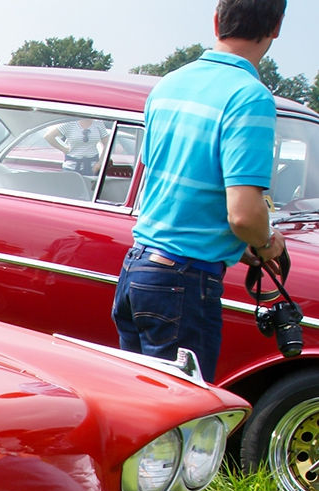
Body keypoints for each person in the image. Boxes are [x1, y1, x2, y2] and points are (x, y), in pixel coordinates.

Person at [112, 0, 287, 380]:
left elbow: (171, 187)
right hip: (184, 284)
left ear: (216, 21)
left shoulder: (169, 84)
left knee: (143, 411)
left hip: (137, 271)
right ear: (276, 28)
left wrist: (234, 247)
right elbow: (243, 214)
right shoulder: (249, 96)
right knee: (182, 420)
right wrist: (267, 241)